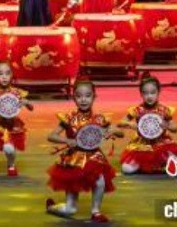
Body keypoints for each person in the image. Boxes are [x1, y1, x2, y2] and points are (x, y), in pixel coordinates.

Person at [45, 79, 121, 223]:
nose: (83, 99)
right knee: (70, 210)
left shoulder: (99, 119)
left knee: (100, 180)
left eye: (87, 96)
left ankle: (96, 211)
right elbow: (51, 136)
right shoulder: (69, 118)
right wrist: (67, 140)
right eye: (79, 96)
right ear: (74, 97)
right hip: (74, 159)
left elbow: (120, 133)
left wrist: (112, 131)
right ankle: (52, 207)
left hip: (94, 157)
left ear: (94, 97)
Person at [118, 74, 177, 174]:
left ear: (158, 92)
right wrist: (130, 124)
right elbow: (120, 123)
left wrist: (167, 125)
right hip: (142, 144)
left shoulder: (164, 110)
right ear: (141, 94)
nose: (149, 96)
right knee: (127, 169)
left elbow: (175, 128)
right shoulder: (137, 110)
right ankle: (152, 165)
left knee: (175, 163)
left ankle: (156, 164)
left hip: (161, 143)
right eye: (145, 93)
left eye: (152, 93)